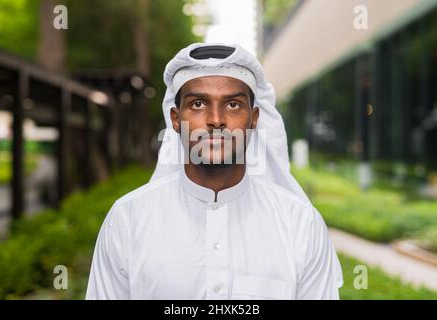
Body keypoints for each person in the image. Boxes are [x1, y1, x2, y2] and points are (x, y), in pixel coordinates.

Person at [85, 43, 344, 300]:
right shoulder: (127, 220)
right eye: (198, 103)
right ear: (175, 119)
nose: (216, 120)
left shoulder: (300, 224)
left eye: (232, 105)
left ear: (254, 118)